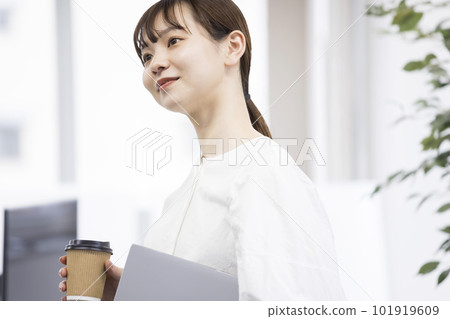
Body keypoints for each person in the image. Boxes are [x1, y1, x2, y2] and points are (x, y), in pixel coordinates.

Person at [59, 0, 346, 301]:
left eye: (173, 41)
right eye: (146, 55)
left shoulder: (267, 177)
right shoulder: (184, 193)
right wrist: (130, 296)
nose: (155, 63)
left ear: (232, 47)